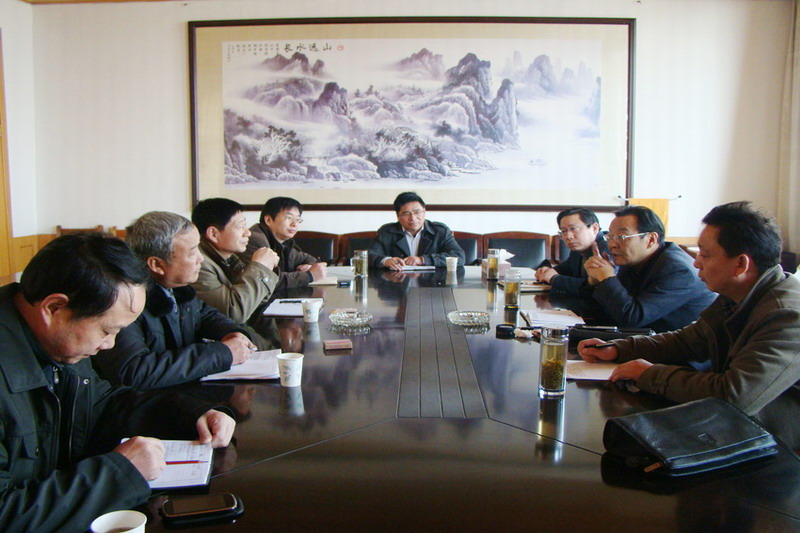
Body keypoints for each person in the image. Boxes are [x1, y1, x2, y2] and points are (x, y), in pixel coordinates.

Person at [0, 233, 235, 532]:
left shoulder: (57, 342)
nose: (110, 345)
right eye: (107, 331)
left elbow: (100, 403)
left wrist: (191, 414)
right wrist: (119, 473)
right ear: (54, 308)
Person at [579, 202, 800, 447]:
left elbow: (734, 396)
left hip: (776, 444)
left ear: (741, 264)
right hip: (735, 426)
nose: (696, 263)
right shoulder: (736, 295)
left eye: (705, 255)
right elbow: (686, 341)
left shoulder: (787, 316)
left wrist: (649, 374)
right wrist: (619, 349)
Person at [93, 212, 256, 389]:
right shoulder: (126, 301)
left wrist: (231, 332)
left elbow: (205, 315)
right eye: (192, 252)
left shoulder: (176, 288)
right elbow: (134, 371)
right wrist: (221, 354)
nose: (200, 259)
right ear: (157, 264)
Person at [581, 205, 715, 332]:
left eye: (621, 237)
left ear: (651, 239)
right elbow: (603, 314)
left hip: (679, 345)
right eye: (610, 237)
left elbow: (632, 319)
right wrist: (594, 282)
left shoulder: (678, 271)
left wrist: (607, 279)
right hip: (643, 338)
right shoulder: (633, 260)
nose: (612, 245)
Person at [191, 198, 280, 323]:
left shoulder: (229, 258)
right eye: (240, 226)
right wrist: (260, 267)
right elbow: (234, 313)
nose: (248, 233)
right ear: (213, 234)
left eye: (245, 225)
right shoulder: (199, 264)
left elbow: (258, 300)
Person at [240, 196, 327, 289]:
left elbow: (308, 258)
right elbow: (267, 281)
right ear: (268, 220)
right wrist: (309, 275)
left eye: (298, 220)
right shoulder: (254, 239)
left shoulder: (283, 242)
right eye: (289, 218)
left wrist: (309, 266)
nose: (294, 224)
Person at [369, 191, 465, 270]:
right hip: (396, 283)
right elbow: (370, 255)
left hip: (432, 283)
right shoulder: (386, 232)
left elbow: (459, 257)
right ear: (398, 216)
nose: (413, 218)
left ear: (424, 212)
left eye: (417, 212)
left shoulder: (440, 231)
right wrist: (386, 261)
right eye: (406, 214)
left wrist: (422, 260)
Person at [535, 207, 611, 295]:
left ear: (594, 228)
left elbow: (594, 288)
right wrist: (546, 271)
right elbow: (565, 269)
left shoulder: (607, 249)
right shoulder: (578, 248)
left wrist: (554, 279)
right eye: (564, 231)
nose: (569, 236)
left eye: (574, 229)